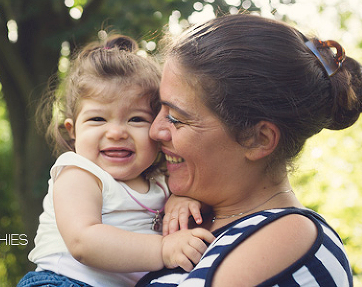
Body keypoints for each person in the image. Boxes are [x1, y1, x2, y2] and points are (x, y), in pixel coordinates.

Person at [138, 13, 362, 287]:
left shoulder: (288, 236)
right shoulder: (182, 215)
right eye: (158, 109)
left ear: (257, 139)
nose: (154, 131)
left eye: (176, 118)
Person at [19, 34, 215, 287]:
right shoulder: (79, 174)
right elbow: (83, 242)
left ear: (156, 129)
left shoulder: (161, 183)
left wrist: (181, 201)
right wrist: (163, 249)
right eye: (98, 119)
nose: (117, 132)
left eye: (136, 119)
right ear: (73, 130)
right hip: (62, 281)